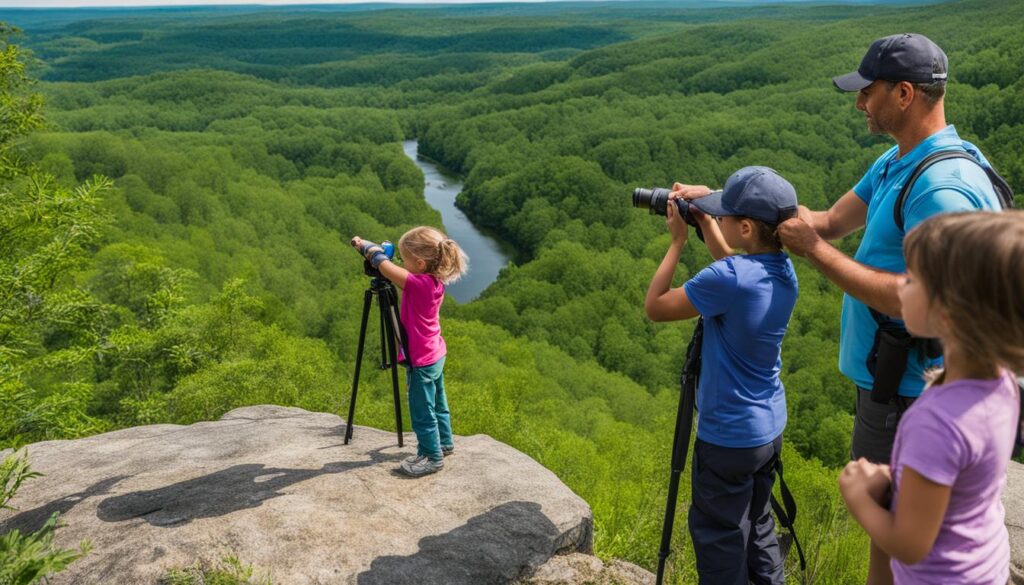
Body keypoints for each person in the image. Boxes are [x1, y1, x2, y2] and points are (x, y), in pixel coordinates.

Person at [776, 33, 1004, 464]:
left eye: (867, 91)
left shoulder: (941, 189)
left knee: (898, 528)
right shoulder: (899, 160)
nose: (859, 103)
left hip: (915, 396)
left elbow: (927, 301)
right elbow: (827, 222)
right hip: (893, 386)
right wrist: (725, 206)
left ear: (904, 94)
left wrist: (813, 251)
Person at [839, 211, 1023, 585]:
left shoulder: (937, 421)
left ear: (949, 314)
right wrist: (902, 475)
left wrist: (858, 497)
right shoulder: (1001, 384)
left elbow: (909, 545)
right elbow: (960, 475)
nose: (900, 285)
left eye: (912, 279)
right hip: (983, 564)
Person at [646, 166, 799, 585]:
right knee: (758, 526)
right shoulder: (783, 271)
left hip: (727, 437)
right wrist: (710, 221)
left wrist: (677, 241)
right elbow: (735, 265)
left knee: (720, 538)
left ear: (746, 227)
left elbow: (656, 306)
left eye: (725, 215)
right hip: (768, 430)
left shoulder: (729, 278)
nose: (720, 218)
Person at [352, 227, 468, 477]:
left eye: (405, 261)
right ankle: (445, 443)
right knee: (439, 404)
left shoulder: (417, 285)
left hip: (422, 360)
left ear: (420, 262)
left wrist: (365, 246)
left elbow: (383, 265)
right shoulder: (434, 282)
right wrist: (378, 251)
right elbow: (390, 267)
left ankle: (432, 457)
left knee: (421, 410)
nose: (402, 265)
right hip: (436, 352)